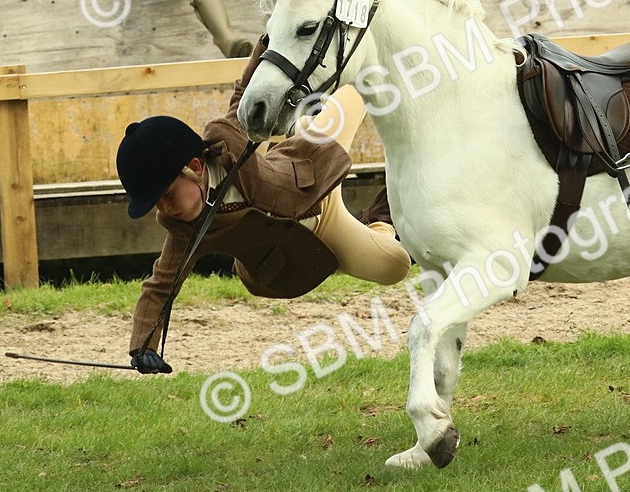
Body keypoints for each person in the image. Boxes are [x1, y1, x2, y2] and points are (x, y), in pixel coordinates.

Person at [115, 35, 411, 373]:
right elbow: (160, 287)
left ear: (194, 167)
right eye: (155, 204)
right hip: (317, 239)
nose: (165, 209)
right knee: (396, 265)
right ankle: (377, 220)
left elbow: (244, 91)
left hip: (309, 171)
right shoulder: (186, 231)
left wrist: (271, 41)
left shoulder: (228, 137)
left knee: (359, 85)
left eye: (167, 194)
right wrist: (142, 346)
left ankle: (305, 125)